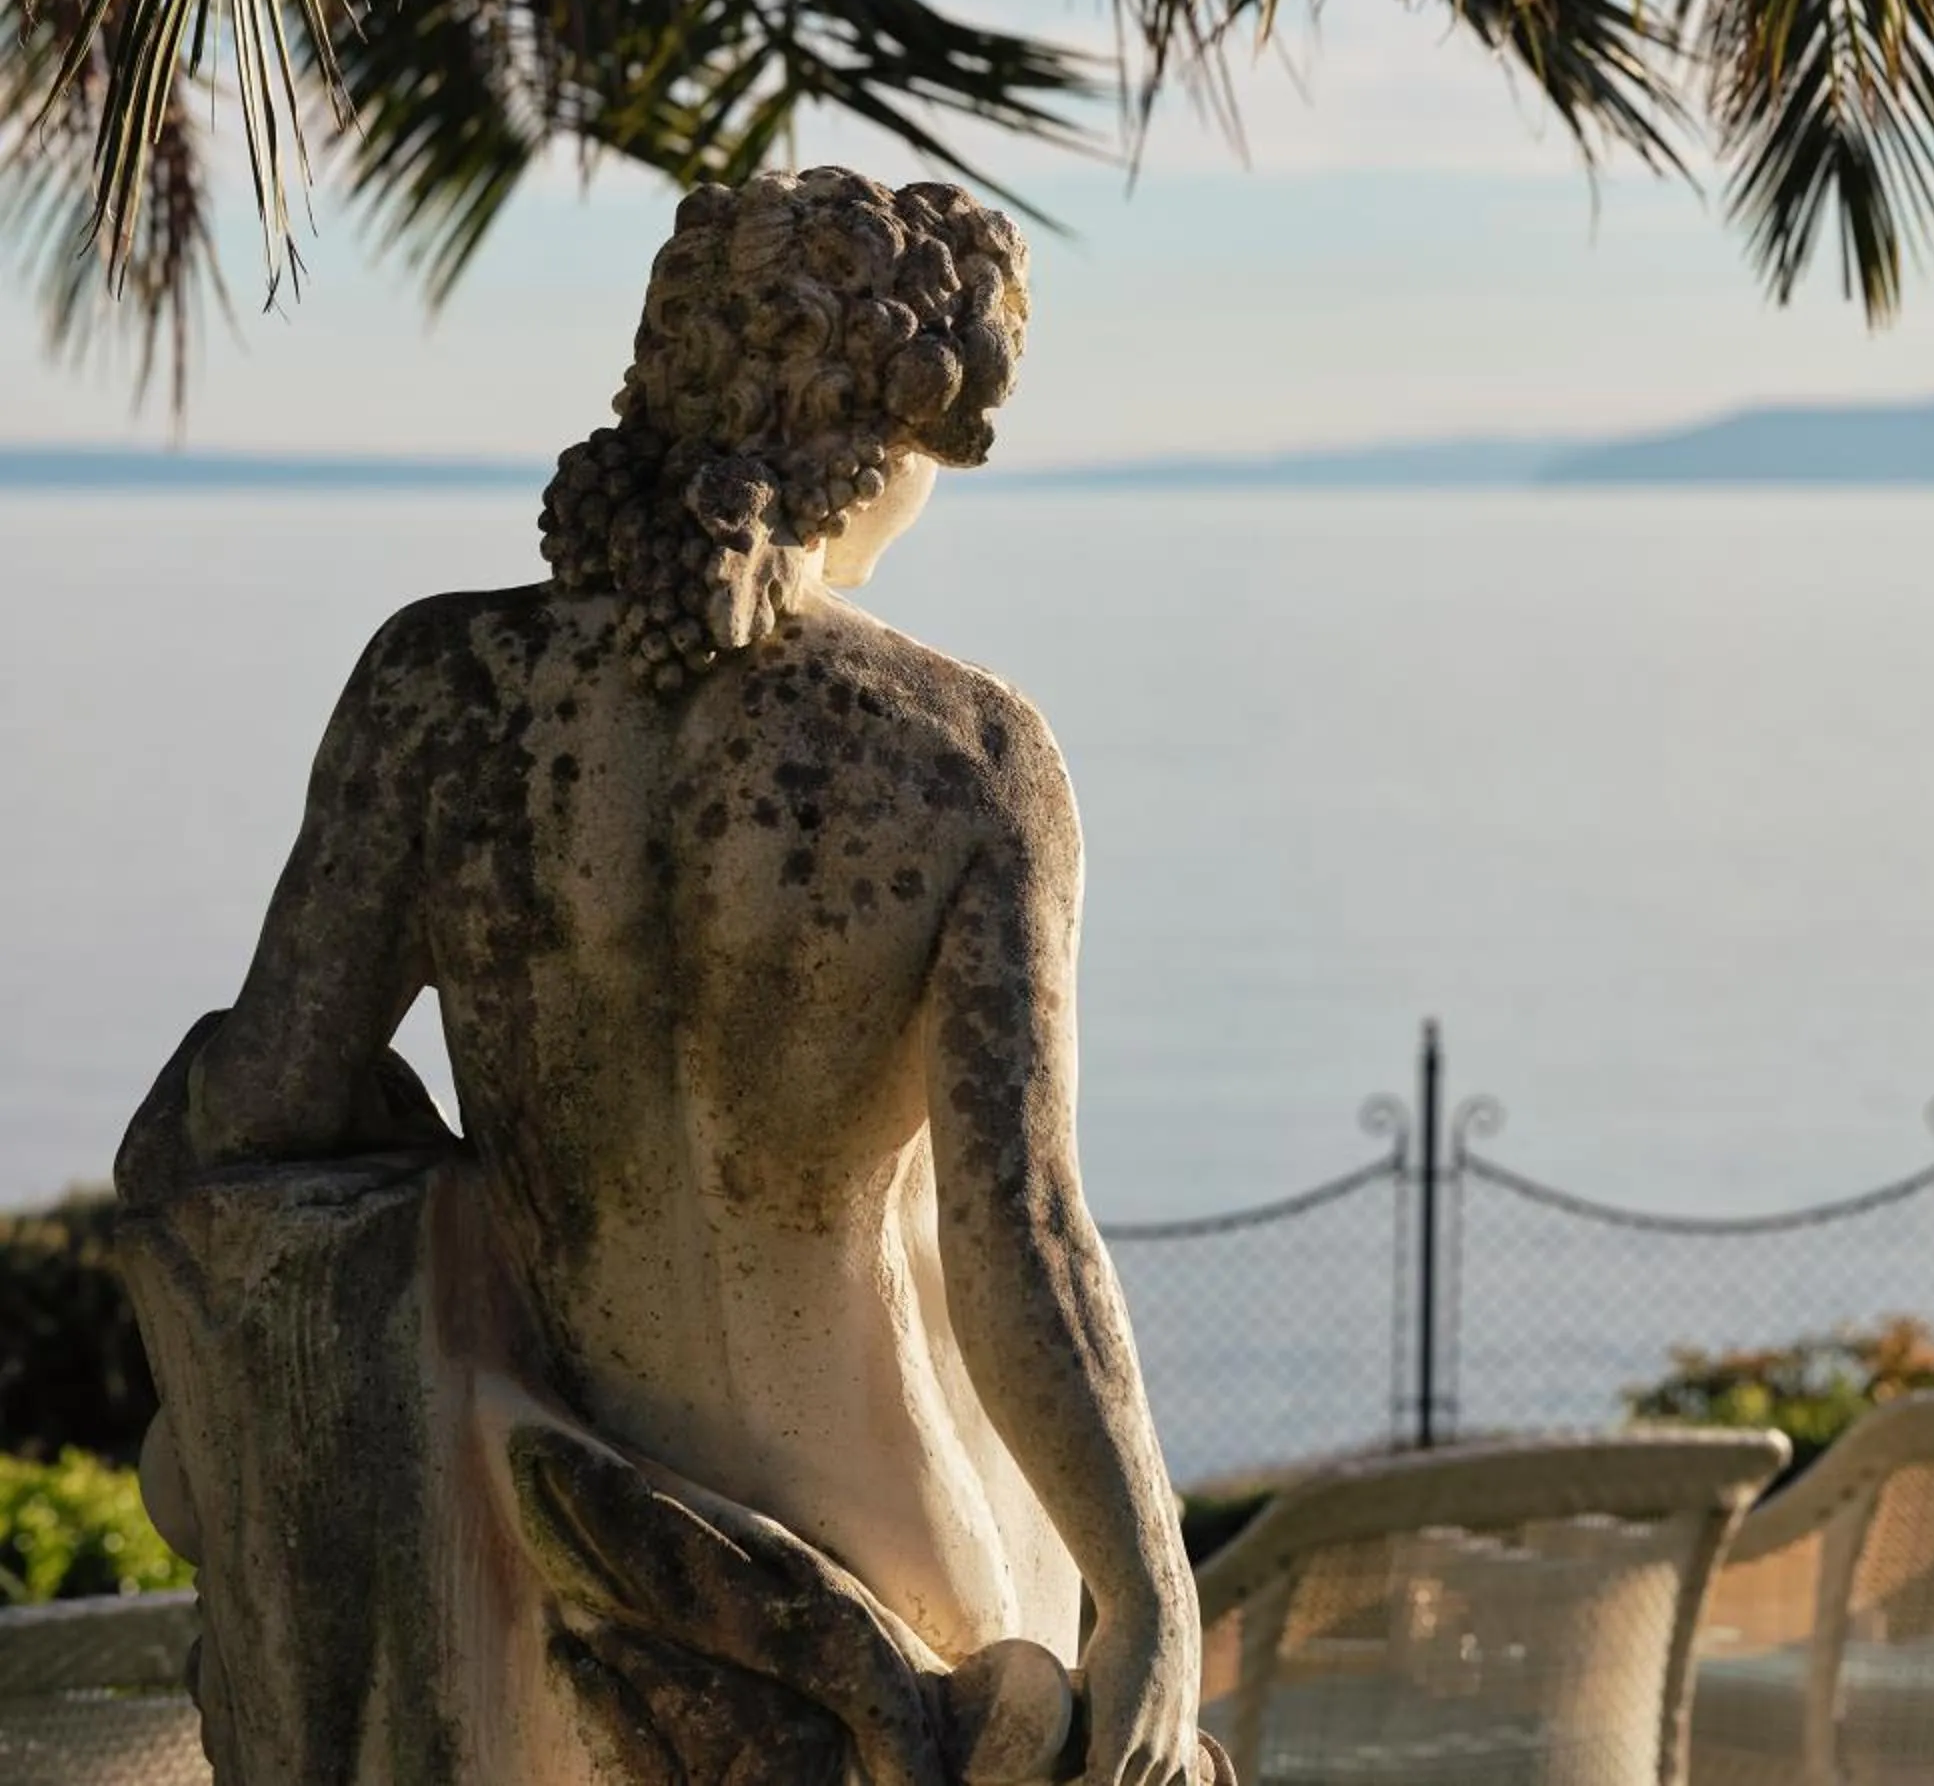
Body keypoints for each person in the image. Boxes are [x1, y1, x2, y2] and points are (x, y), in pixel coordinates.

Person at [147, 168, 1199, 1786]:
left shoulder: (437, 696)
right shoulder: (967, 764)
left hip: (531, 1568)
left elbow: (263, 1104)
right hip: (895, 1563)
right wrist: (1148, 1588)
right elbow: (1025, 1235)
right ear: (889, 436)